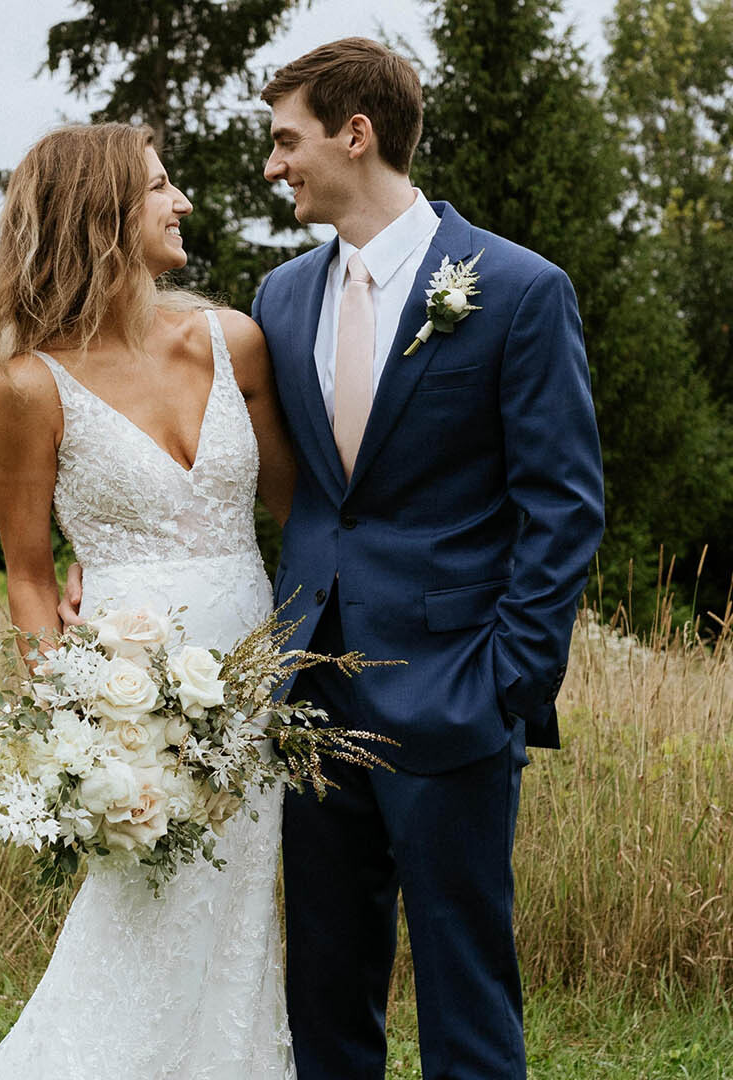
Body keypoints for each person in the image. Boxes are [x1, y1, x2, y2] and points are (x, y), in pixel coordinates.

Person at [252, 39, 602, 1080]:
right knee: (324, 983)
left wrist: (510, 681)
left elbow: (564, 503)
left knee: (465, 987)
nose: (275, 166)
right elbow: (291, 487)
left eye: (287, 140)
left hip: (456, 688)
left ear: (355, 134)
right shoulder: (278, 299)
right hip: (310, 684)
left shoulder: (519, 290)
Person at [0, 122, 299, 1078]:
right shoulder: (28, 387)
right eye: (159, 187)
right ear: (101, 214)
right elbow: (28, 573)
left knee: (234, 917)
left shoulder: (232, 341)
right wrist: (73, 723)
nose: (181, 201)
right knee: (142, 916)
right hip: (128, 698)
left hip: (254, 682)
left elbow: (302, 513)